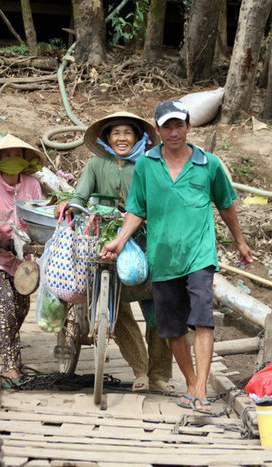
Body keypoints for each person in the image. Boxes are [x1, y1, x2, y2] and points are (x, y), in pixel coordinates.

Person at [101, 100, 253, 413]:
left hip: (199, 254)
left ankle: (199, 388)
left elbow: (226, 205)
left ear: (188, 126)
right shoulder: (146, 165)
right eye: (167, 126)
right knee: (172, 328)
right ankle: (190, 381)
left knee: (202, 320)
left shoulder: (208, 164)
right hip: (163, 257)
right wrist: (119, 240)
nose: (173, 132)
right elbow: (136, 209)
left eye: (178, 125)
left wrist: (240, 241)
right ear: (157, 130)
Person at [55, 111, 174, 393]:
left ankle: (160, 375)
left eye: (127, 133)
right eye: (116, 133)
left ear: (139, 138)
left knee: (159, 310)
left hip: (146, 241)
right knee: (115, 307)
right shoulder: (97, 164)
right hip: (106, 239)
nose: (122, 138)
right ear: (106, 138)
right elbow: (80, 196)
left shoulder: (150, 164)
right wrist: (69, 205)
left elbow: (160, 199)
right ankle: (140, 371)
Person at [0, 134, 45, 381]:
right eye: (7, 155)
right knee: (5, 304)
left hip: (22, 262)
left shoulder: (32, 186)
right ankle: (11, 364)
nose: (13, 160)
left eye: (17, 155)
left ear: (26, 161)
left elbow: (38, 216)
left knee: (20, 308)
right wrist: (2, 242)